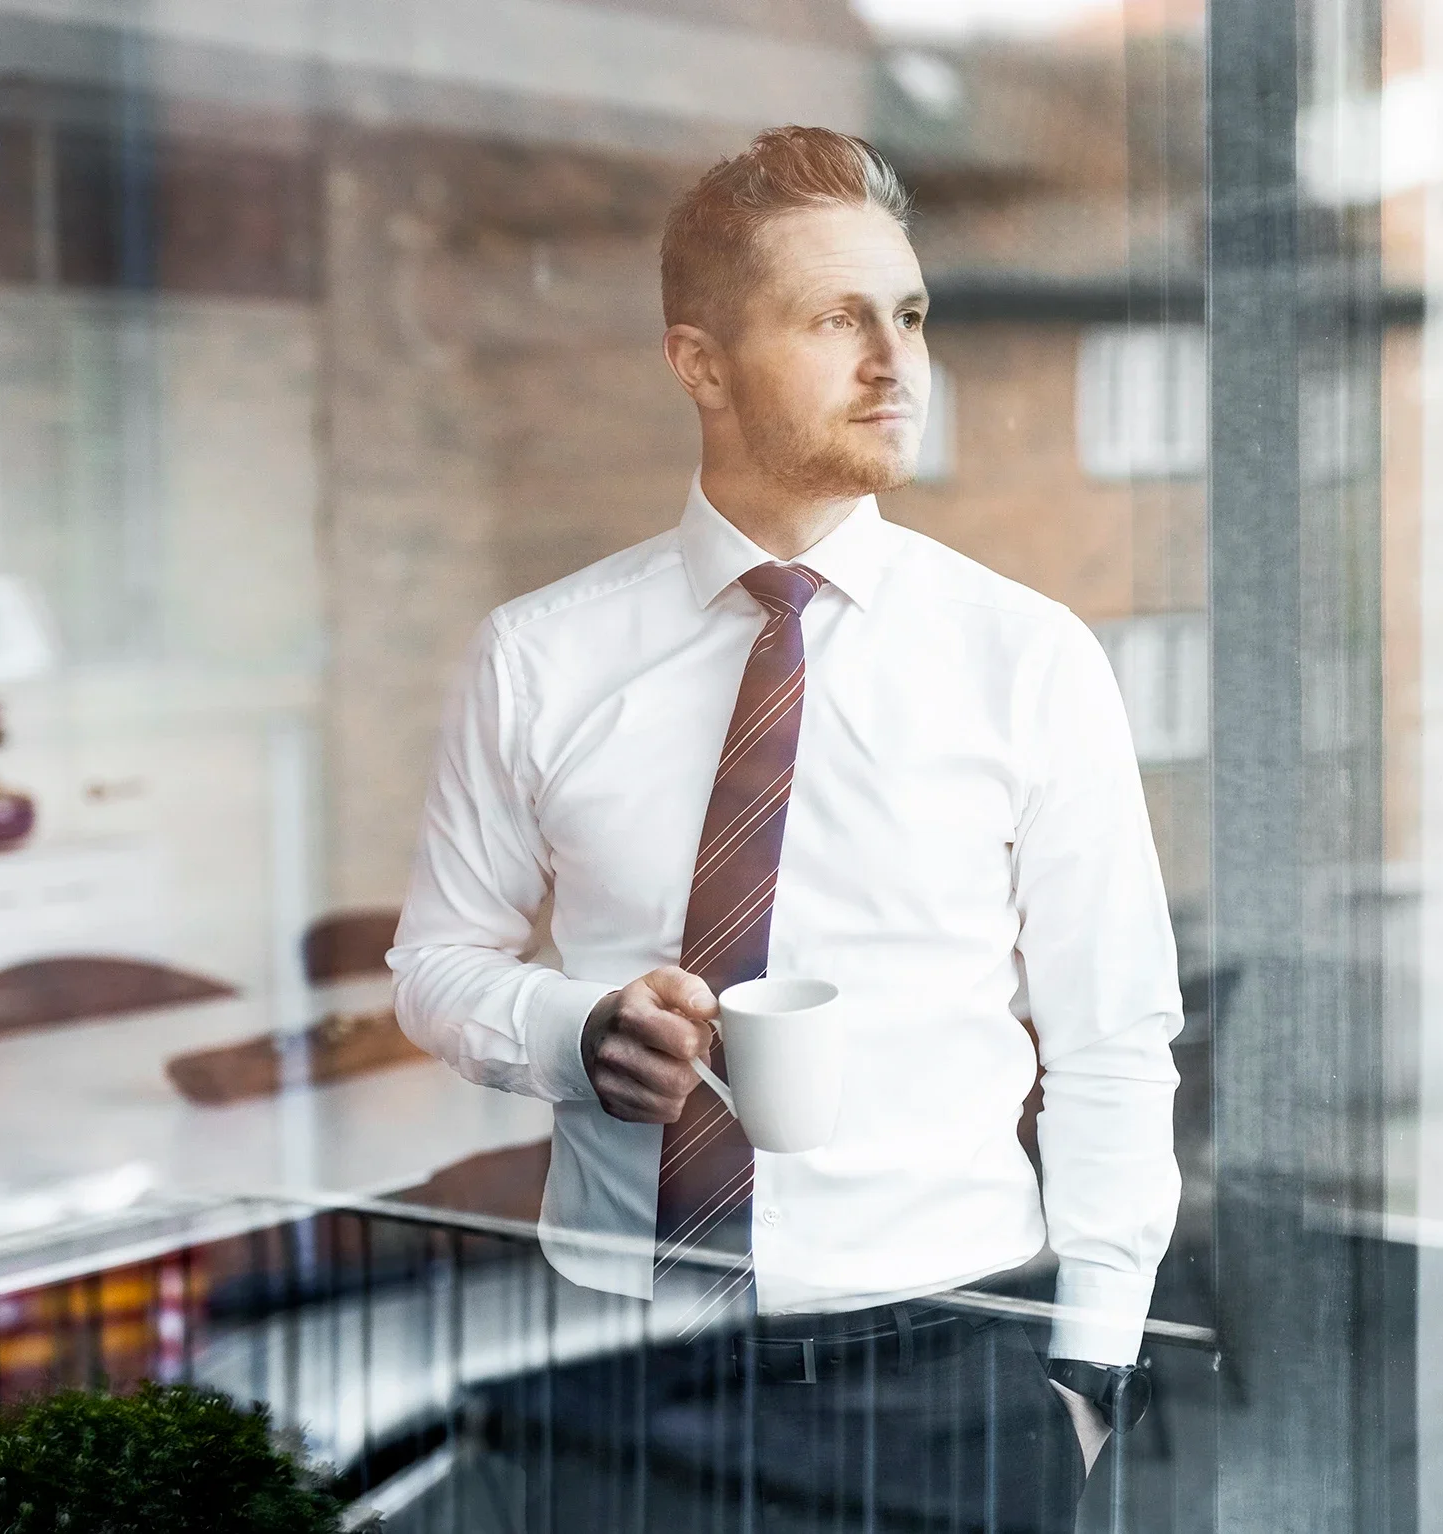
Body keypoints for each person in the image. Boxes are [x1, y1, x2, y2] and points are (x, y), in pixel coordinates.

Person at [390, 125, 1181, 1531]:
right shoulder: (541, 657)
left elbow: (1113, 1031)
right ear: (699, 362)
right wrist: (575, 1027)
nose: (898, 360)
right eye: (838, 318)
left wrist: (1092, 1363)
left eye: (913, 314)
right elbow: (436, 965)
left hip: (945, 1367)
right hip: (618, 1365)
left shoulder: (1027, 655)